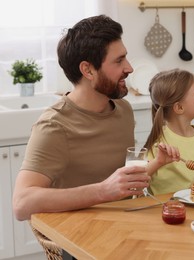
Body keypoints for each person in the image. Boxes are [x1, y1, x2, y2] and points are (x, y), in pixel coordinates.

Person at [12, 15, 177, 221]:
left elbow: (124, 182)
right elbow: (21, 204)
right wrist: (102, 191)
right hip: (78, 237)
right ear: (88, 70)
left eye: (125, 57)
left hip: (126, 224)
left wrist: (157, 163)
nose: (129, 68)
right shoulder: (54, 126)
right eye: (118, 61)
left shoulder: (123, 109)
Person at [144, 69, 194, 195]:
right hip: (167, 211)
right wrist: (158, 162)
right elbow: (136, 183)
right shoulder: (159, 144)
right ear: (179, 107)